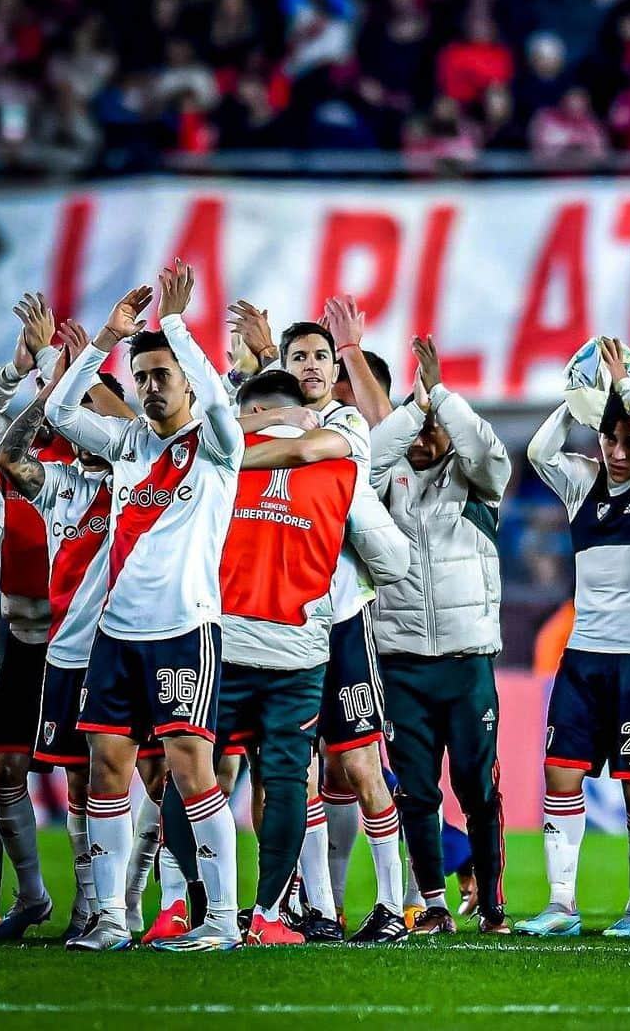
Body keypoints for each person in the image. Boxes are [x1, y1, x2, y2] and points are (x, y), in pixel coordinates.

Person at [160, 369, 407, 945]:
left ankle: (186, 907)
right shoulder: (341, 467)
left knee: (191, 769)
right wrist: (338, 575)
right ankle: (270, 915)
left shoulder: (213, 457)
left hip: (220, 640)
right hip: (301, 648)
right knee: (288, 779)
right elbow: (394, 560)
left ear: (247, 410)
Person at [44, 261, 244, 952]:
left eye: (164, 375)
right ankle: (108, 918)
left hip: (185, 631)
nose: (153, 386)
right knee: (105, 769)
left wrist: (181, 327)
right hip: (114, 637)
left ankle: (219, 919)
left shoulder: (219, 450)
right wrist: (103, 339)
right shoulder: (129, 445)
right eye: (145, 376)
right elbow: (58, 413)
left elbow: (219, 404)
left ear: (187, 376)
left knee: (191, 772)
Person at [230, 300, 406, 942]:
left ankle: (395, 903)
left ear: (335, 370)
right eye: (296, 356)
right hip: (272, 620)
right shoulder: (262, 423)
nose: (308, 365)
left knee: (356, 764)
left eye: (318, 356)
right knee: (289, 770)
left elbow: (350, 499)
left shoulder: (348, 430)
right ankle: (316, 909)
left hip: (338, 618)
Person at [518, 337, 630, 938]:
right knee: (561, 774)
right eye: (610, 438)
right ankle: (562, 905)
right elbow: (540, 450)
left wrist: (628, 395)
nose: (618, 451)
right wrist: (579, 396)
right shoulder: (582, 485)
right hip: (584, 656)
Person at [0, 317, 135, 941]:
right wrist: (49, 380)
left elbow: (137, 426)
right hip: (50, 645)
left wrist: (81, 359)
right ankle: (75, 903)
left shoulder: (134, 473)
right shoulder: (57, 480)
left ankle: (127, 906)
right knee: (70, 775)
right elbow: (8, 451)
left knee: (148, 774)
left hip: (130, 642)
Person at [370, 334, 511, 935]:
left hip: (467, 661)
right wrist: (416, 408)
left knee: (477, 788)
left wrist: (441, 395)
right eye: (418, 429)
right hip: (401, 661)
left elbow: (485, 448)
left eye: (436, 429)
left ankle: (494, 905)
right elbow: (372, 456)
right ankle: (432, 906)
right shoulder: (381, 484)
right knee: (417, 793)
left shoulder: (479, 482)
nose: (427, 439)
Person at [0, 293, 66, 941]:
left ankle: (114, 908)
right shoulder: (12, 477)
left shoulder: (94, 468)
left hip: (79, 644)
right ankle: (33, 896)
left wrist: (53, 369)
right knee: (6, 772)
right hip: (22, 640)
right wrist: (18, 372)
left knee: (95, 770)